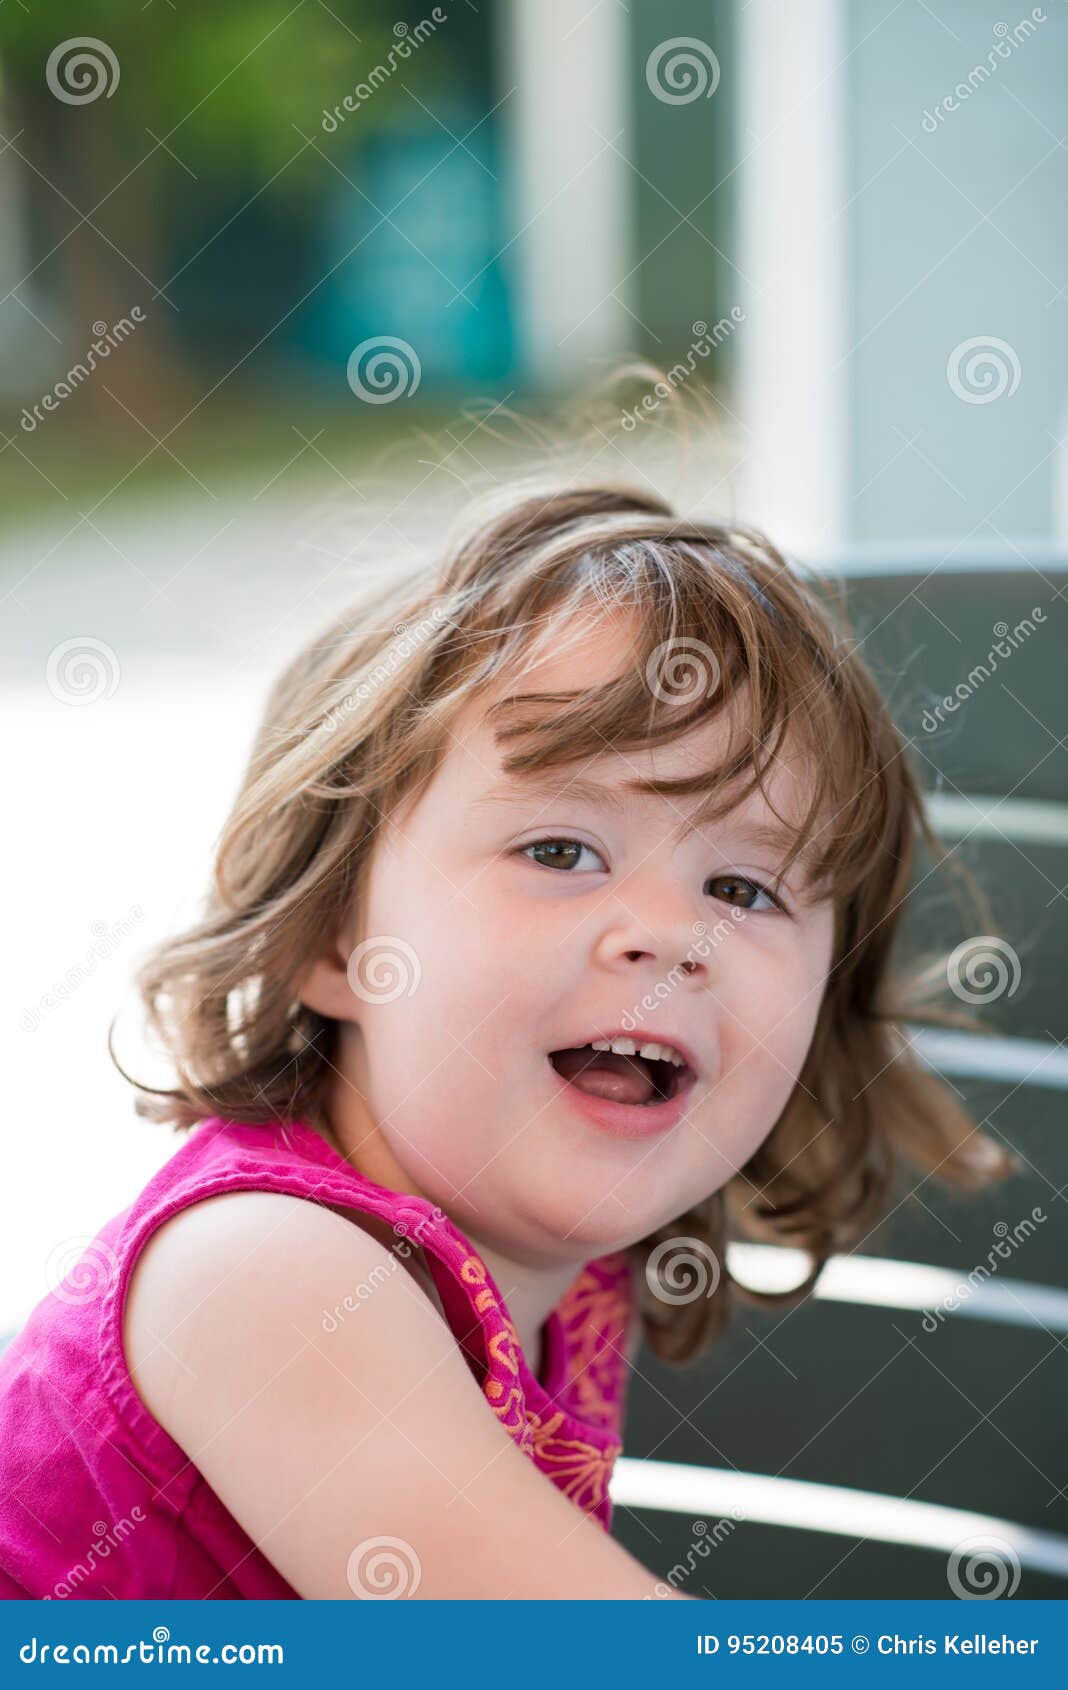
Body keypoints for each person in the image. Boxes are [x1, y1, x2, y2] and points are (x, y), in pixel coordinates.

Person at [0, 481, 1011, 1600]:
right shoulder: (268, 1275)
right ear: (332, 934)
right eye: (562, 850)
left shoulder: (566, 1279)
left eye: (742, 885)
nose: (672, 936)